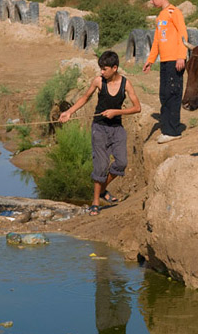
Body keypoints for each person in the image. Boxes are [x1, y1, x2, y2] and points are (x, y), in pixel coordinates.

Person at [59, 50, 142, 215]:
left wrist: (116, 112)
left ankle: (103, 189)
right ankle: (95, 201)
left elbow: (137, 108)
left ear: (114, 68)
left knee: (121, 163)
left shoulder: (126, 84)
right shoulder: (98, 81)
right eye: (101, 69)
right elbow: (85, 98)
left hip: (117, 128)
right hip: (99, 128)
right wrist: (69, 112)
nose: (101, 72)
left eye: (104, 69)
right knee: (101, 165)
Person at [142, 0, 188, 144]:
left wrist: (181, 56)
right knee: (164, 94)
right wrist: (150, 60)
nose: (151, 2)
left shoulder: (174, 12)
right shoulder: (160, 16)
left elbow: (183, 34)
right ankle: (167, 128)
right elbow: (156, 41)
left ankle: (173, 131)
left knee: (173, 94)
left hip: (175, 61)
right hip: (164, 62)